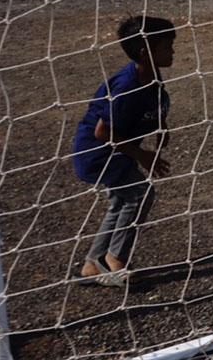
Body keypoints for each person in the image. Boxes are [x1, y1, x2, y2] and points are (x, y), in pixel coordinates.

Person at [72, 15, 176, 286]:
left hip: (117, 152)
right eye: (166, 46)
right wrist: (144, 155)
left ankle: (92, 266)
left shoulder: (150, 74)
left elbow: (153, 102)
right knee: (140, 194)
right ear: (145, 52)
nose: (173, 51)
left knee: (123, 200)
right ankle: (114, 259)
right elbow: (102, 132)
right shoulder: (126, 86)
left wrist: (160, 126)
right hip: (98, 153)